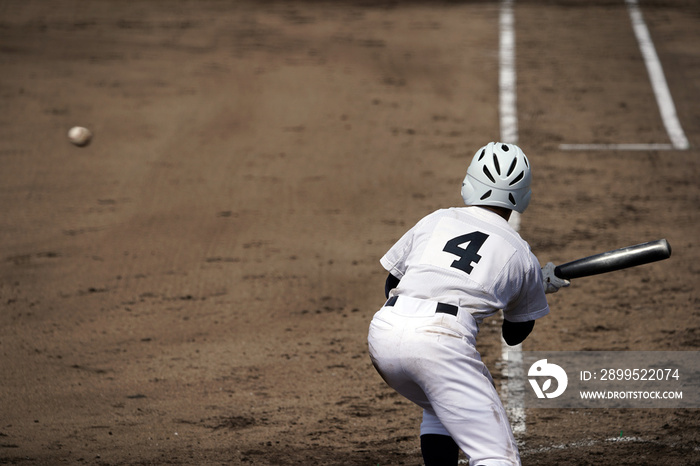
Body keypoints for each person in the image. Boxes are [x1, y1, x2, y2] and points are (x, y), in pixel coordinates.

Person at [367, 142, 569, 466]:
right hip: (440, 342)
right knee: (496, 456)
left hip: (385, 331)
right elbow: (514, 334)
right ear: (523, 197)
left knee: (441, 404)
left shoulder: (436, 219)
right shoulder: (520, 253)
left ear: (469, 183)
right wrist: (532, 286)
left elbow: (391, 283)